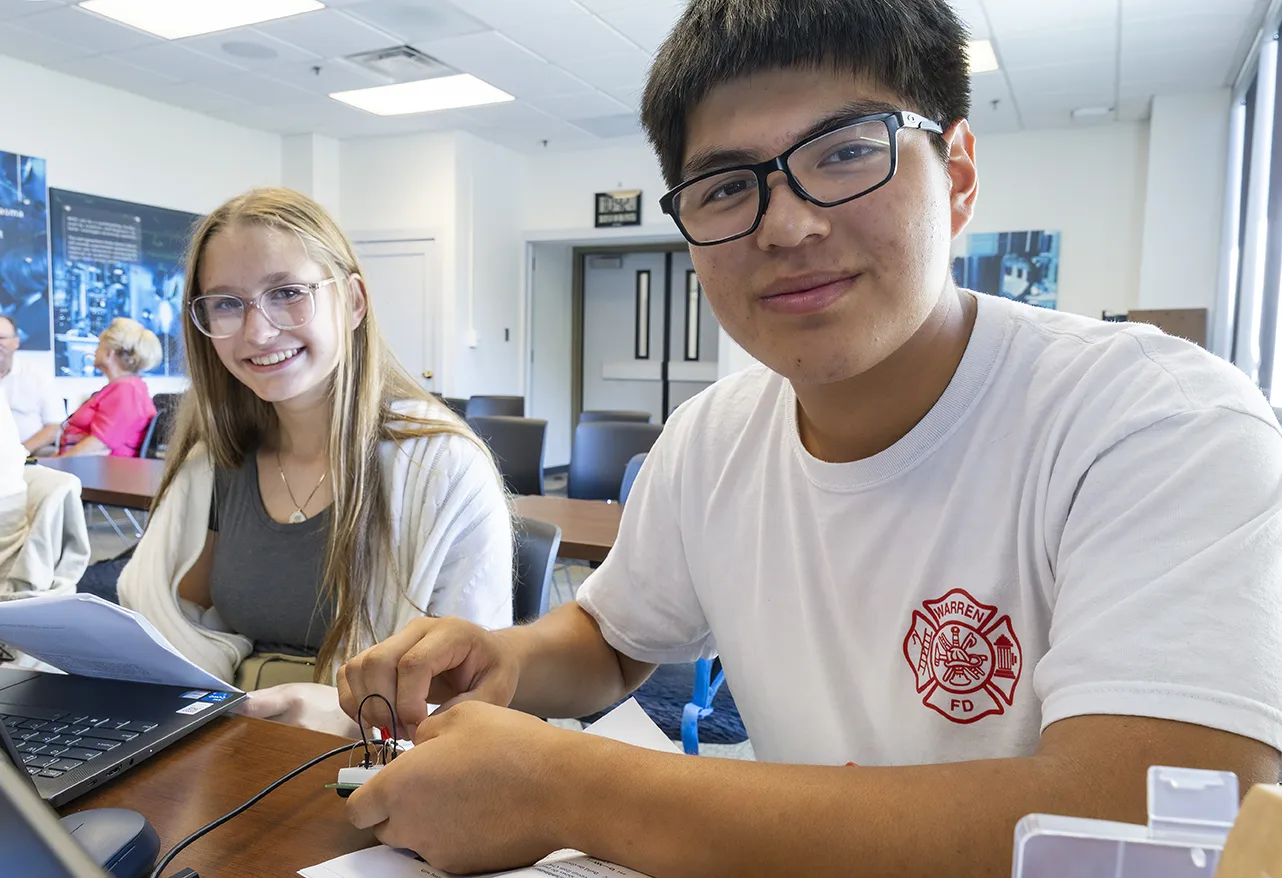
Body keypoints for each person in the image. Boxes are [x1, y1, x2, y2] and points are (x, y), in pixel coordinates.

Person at [335, 1, 1282, 875]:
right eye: (724, 187)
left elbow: (1151, 829)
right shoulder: (711, 440)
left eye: (844, 152)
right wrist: (508, 658)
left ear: (956, 176)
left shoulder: (1157, 423)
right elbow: (614, 640)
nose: (786, 226)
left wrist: (569, 789)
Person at [116, 188, 513, 736]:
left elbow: (473, 698)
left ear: (353, 301)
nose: (258, 331)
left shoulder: (443, 469)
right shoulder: (215, 466)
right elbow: (174, 633)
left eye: (287, 293)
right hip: (229, 739)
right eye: (227, 303)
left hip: (381, 763)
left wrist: (347, 716)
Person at [56, 318, 160, 457]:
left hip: (100, 468)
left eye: (99, 345)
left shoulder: (128, 390)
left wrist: (55, 463)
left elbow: (99, 446)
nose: (95, 351)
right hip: (83, 464)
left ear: (109, 353)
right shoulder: (121, 387)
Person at [0, 316, 64, 454]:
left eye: (1, 338)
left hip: (27, 453)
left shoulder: (38, 377)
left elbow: (55, 426)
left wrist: (19, 452)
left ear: (16, 342)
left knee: (50, 453)